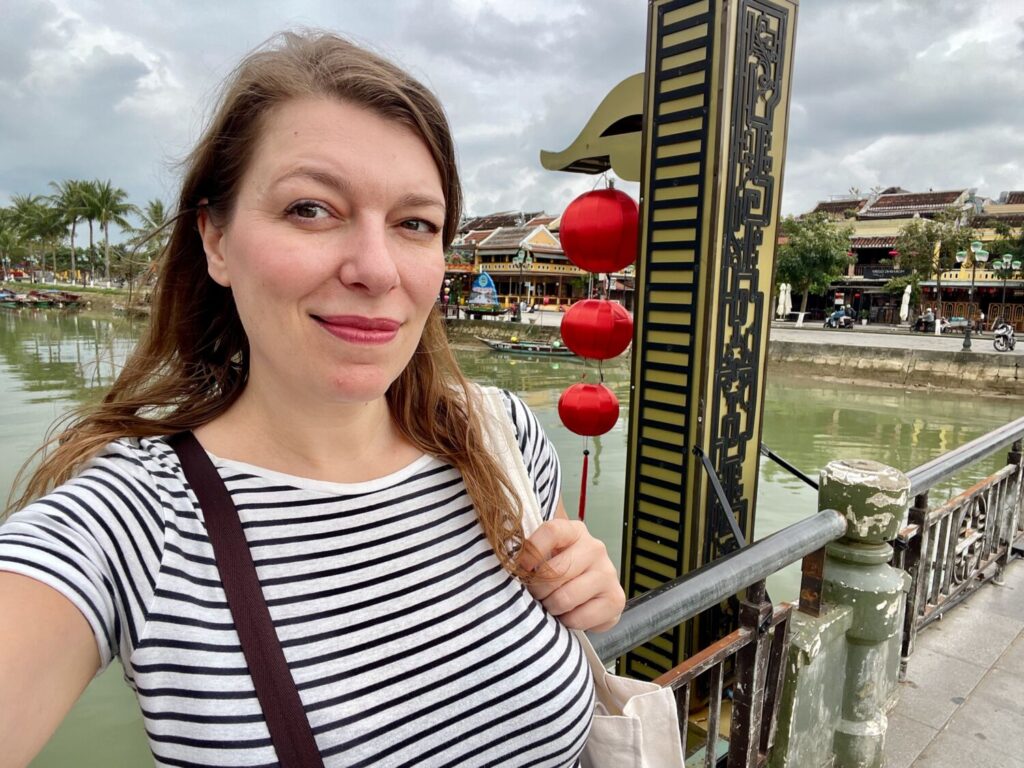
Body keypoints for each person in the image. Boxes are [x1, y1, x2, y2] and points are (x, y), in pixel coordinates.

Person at [0, 31, 624, 767]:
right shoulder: (133, 520)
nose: (374, 267)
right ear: (216, 239)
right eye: (310, 209)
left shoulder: (498, 436)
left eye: (414, 223)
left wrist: (588, 591)